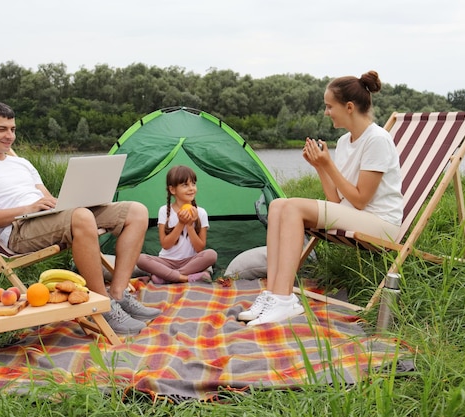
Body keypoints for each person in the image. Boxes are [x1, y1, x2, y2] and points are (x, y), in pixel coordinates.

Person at [0, 102, 160, 336]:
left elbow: (46, 198)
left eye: (12, 129)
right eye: (2, 129)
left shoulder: (21, 163)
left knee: (137, 211)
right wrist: (28, 208)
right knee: (80, 217)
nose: (10, 136)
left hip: (45, 217)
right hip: (17, 230)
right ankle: (102, 306)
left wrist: (67, 201)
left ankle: (119, 294)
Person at [239, 70, 403, 326]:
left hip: (381, 223)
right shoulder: (345, 141)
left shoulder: (377, 140)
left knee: (292, 207)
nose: (326, 112)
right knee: (278, 205)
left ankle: (284, 299)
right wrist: (320, 166)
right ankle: (273, 293)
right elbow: (336, 202)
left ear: (349, 107)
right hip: (357, 216)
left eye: (329, 106)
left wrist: (329, 164)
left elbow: (360, 200)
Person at [137, 165, 217, 284]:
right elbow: (165, 244)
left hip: (190, 262)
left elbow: (200, 248)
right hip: (166, 261)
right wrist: (181, 223)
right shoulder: (164, 211)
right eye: (185, 185)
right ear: (172, 190)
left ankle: (167, 276)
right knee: (140, 259)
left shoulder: (201, 212)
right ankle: (185, 277)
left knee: (211, 255)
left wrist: (190, 225)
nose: (191, 188)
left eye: (193, 184)